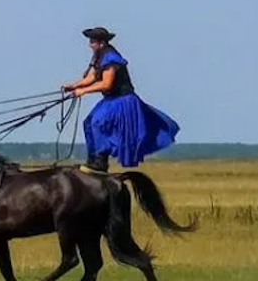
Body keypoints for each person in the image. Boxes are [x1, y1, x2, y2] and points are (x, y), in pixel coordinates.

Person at [62, 26, 179, 174]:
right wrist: (73, 86)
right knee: (88, 123)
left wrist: (83, 91)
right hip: (110, 99)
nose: (89, 44)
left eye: (92, 41)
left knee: (98, 122)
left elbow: (106, 83)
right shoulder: (98, 56)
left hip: (122, 100)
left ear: (101, 43)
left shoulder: (111, 57)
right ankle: (93, 159)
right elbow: (91, 77)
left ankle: (100, 162)